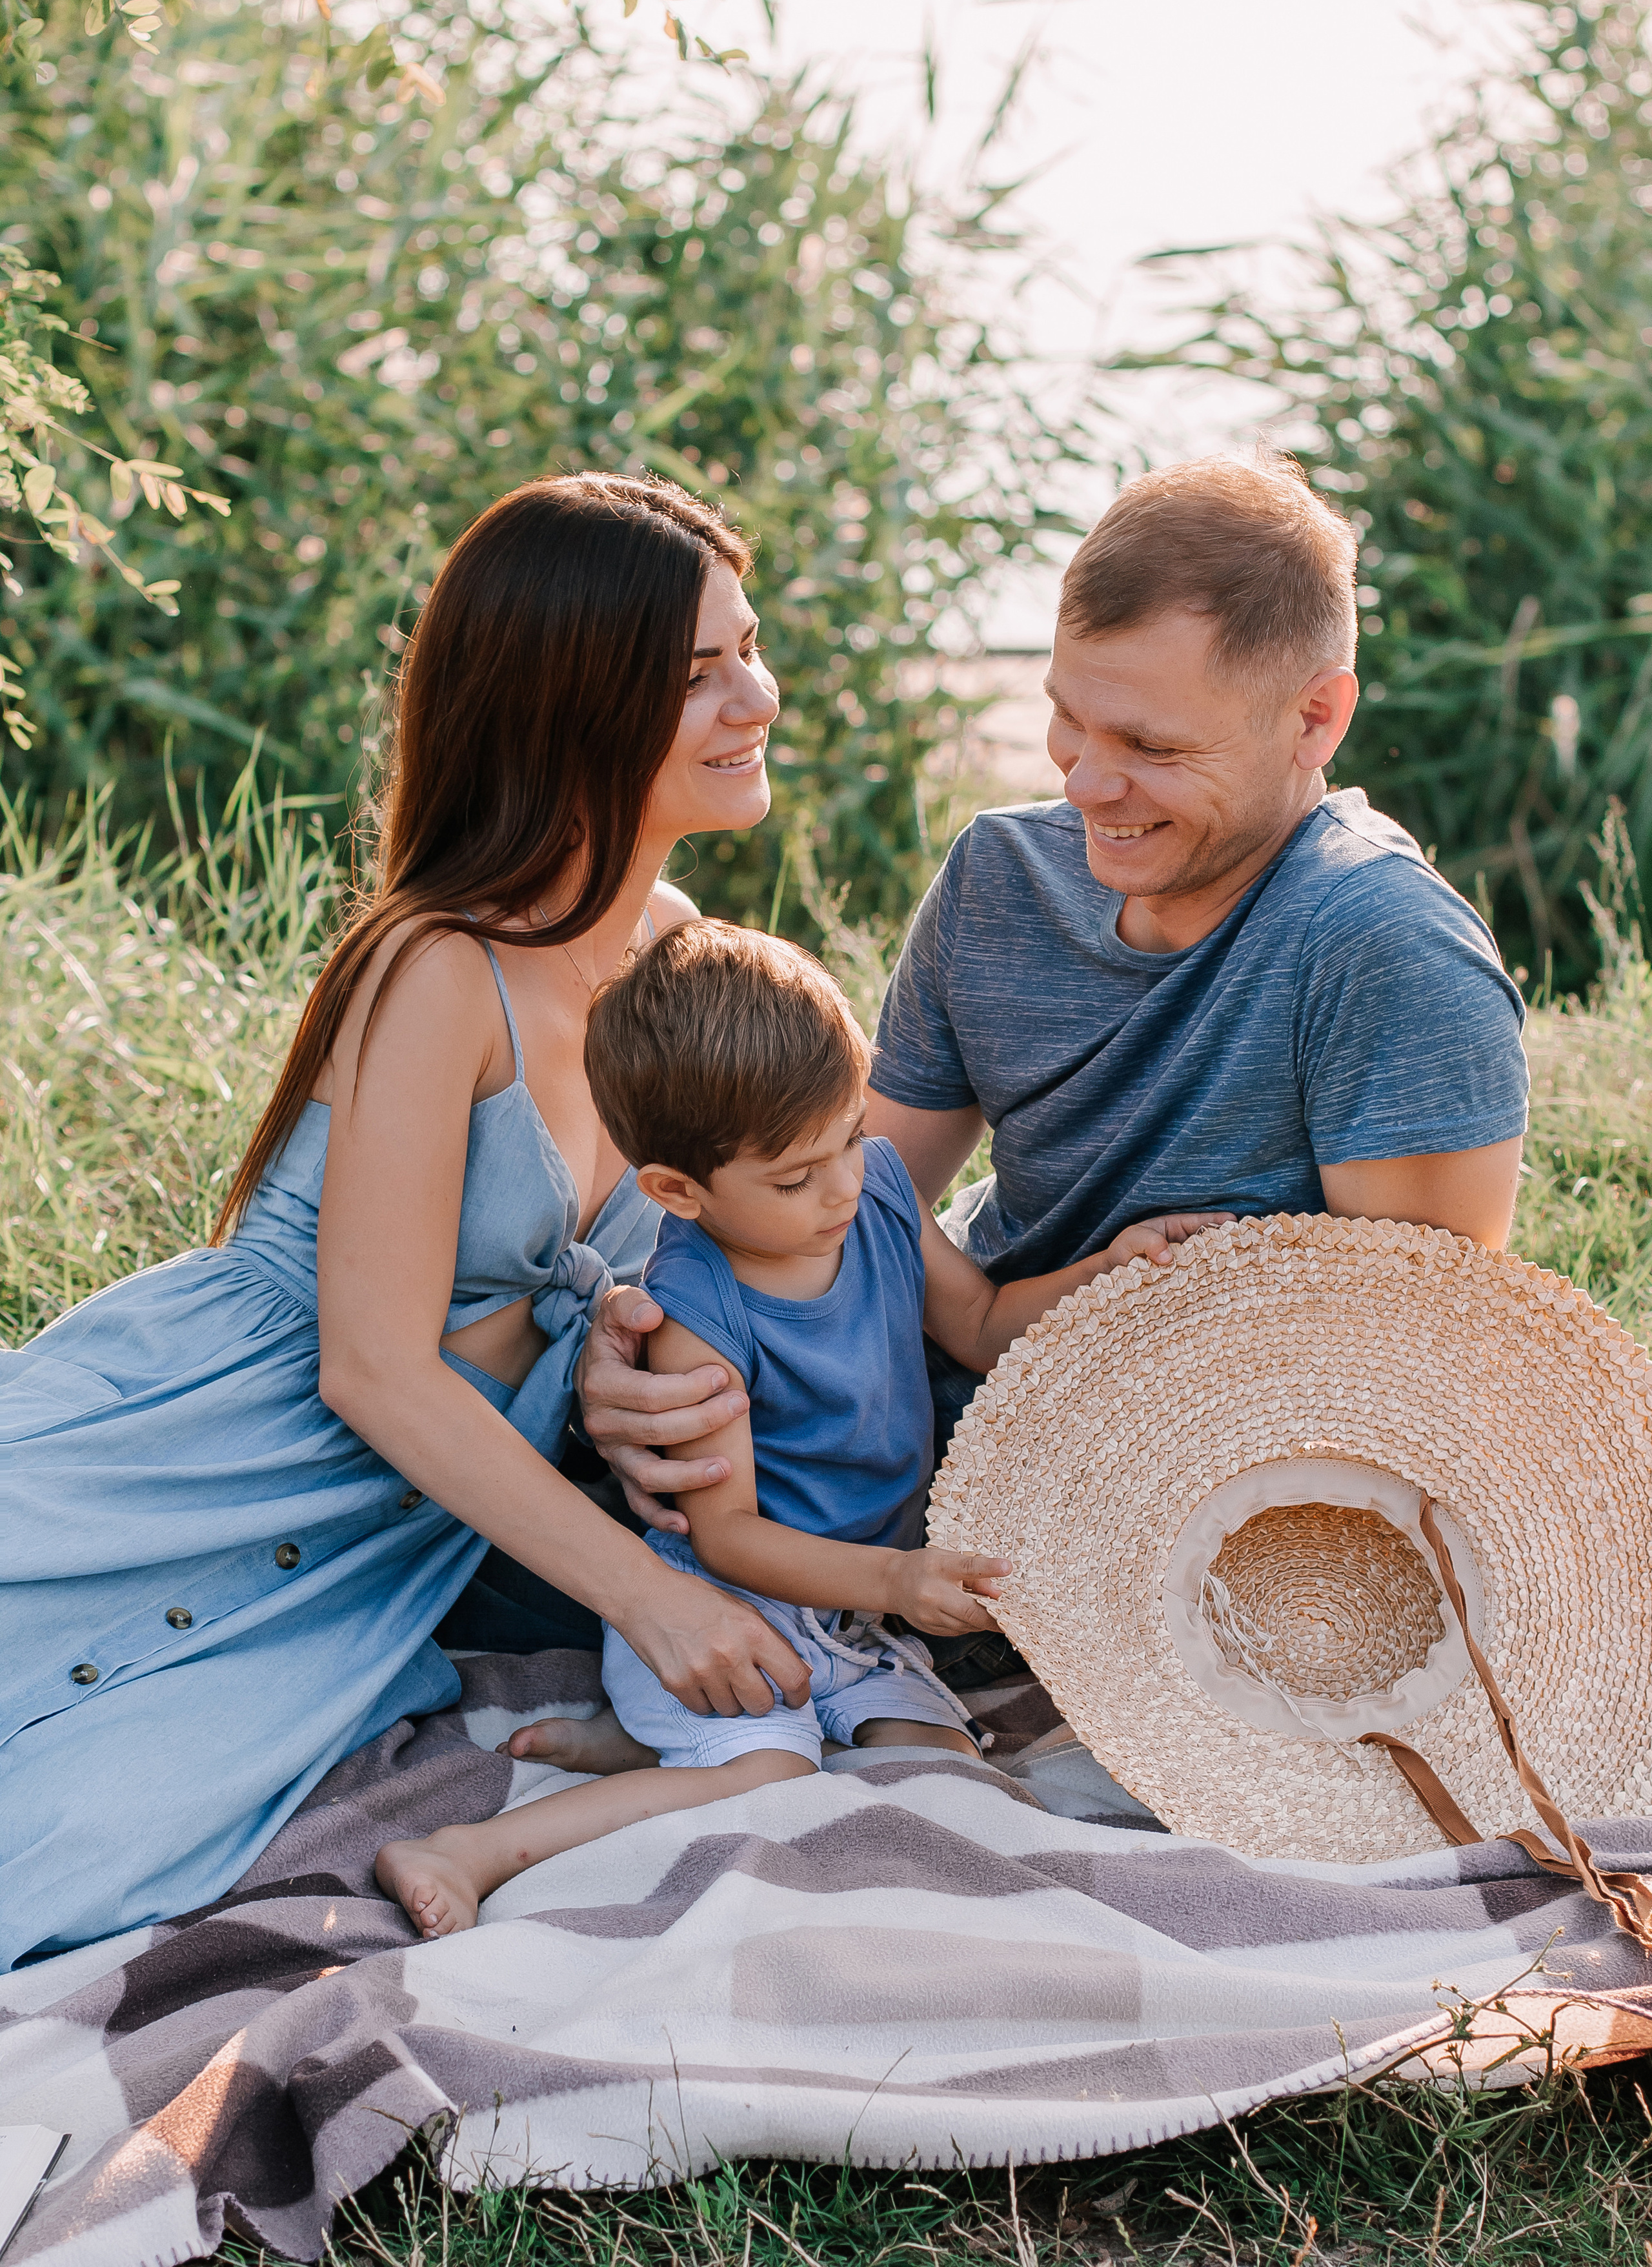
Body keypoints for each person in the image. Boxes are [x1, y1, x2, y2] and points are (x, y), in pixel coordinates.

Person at [0, 474, 819, 1973]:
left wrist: (621, 1365)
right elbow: (372, 1365)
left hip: (367, 1556)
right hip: (186, 1448)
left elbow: (724, 1241)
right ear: (569, 705)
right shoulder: (437, 967)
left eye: (748, 650)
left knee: (86, 1840)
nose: (756, 697)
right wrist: (643, 1598)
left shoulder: (679, 958)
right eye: (698, 672)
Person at [571, 452, 1530, 1539]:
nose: (1083, 784)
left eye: (1150, 746)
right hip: (902, 1442)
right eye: (1068, 717)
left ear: (1315, 718)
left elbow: (1422, 1365)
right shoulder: (1000, 874)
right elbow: (835, 1200)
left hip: (1196, 1513)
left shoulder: (1386, 951)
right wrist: (645, 1347)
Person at [376, 919, 1227, 1937]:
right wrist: (896, 1580)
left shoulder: (880, 1197)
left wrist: (1105, 1271)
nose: (841, 1187)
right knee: (768, 1774)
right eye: (794, 1177)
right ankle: (473, 1849)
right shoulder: (697, 1307)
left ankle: (647, 1741)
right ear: (677, 1190)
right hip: (729, 1605)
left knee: (952, 1774)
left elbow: (979, 1320)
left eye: (850, 1138)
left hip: (851, 1617)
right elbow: (726, 1535)